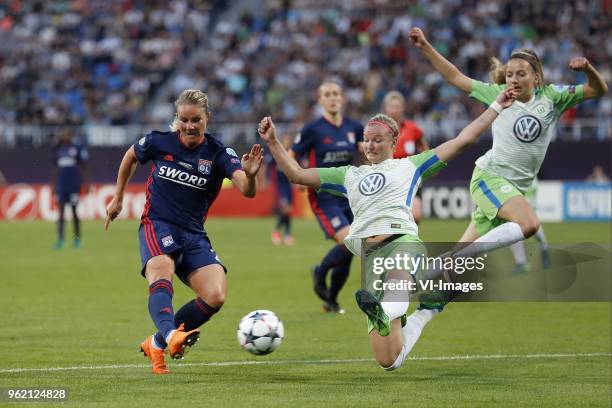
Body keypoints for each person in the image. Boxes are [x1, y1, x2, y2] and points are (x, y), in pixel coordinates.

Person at [258, 87, 516, 370]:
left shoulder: (411, 166)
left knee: (397, 288)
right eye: (366, 141)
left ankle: (391, 304)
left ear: (394, 140)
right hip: (371, 257)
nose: (369, 145)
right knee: (388, 361)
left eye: (377, 140)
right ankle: (427, 309)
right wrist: (272, 142)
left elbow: (464, 139)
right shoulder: (349, 175)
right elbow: (296, 174)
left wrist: (497, 106)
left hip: (402, 241)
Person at [408, 27, 607, 266]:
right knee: (530, 224)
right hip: (490, 178)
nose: (513, 79)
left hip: (514, 188)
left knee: (457, 267)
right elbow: (455, 78)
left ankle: (418, 293)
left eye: (521, 74)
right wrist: (426, 47)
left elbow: (598, 89)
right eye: (510, 74)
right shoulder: (497, 93)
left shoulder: (552, 97)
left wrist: (587, 69)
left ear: (536, 78)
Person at [104, 89, 263, 374]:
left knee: (215, 296)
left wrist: (250, 175)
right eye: (184, 119)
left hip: (193, 233)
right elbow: (130, 156)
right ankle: (170, 335)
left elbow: (247, 191)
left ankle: (157, 341)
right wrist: (118, 197)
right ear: (177, 118)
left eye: (196, 120)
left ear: (207, 119)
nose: (189, 126)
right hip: (157, 223)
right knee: (161, 271)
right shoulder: (159, 141)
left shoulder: (218, 153)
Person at [291, 80, 364, 313]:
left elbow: (364, 153)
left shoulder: (354, 127)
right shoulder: (312, 129)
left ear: (342, 98)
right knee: (350, 240)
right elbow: (293, 155)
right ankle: (320, 272)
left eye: (336, 94)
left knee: (351, 250)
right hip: (324, 196)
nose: (332, 98)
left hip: (349, 194)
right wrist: (301, 176)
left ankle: (331, 300)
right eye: (327, 94)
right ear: (320, 100)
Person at [383, 90, 429, 224]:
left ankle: (408, 239)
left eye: (397, 107)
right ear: (386, 109)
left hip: (410, 178)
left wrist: (427, 164)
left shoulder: (412, 128)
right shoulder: (379, 129)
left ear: (403, 108)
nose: (395, 110)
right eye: (392, 107)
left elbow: (424, 147)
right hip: (389, 178)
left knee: (416, 215)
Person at [51, 128, 89, 249]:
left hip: (73, 185)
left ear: (71, 136)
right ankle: (60, 240)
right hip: (62, 185)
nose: (66, 136)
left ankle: (77, 240)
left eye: (68, 134)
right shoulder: (59, 150)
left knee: (74, 211)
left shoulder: (76, 149)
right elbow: (55, 169)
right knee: (61, 212)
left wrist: (87, 183)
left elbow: (84, 166)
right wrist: (53, 185)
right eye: (64, 134)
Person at [509, 178, 551, 273]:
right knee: (513, 233)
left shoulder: (529, 179)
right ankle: (521, 262)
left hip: (528, 211)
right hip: (519, 214)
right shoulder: (521, 175)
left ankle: (544, 250)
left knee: (535, 230)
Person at [269, 133, 295, 245]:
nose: (286, 142)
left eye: (288, 140)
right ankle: (277, 232)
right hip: (282, 186)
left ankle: (287, 235)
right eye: (284, 140)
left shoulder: (293, 153)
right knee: (286, 209)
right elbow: (269, 165)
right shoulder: (277, 153)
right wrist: (268, 178)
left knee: (288, 211)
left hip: (289, 186)